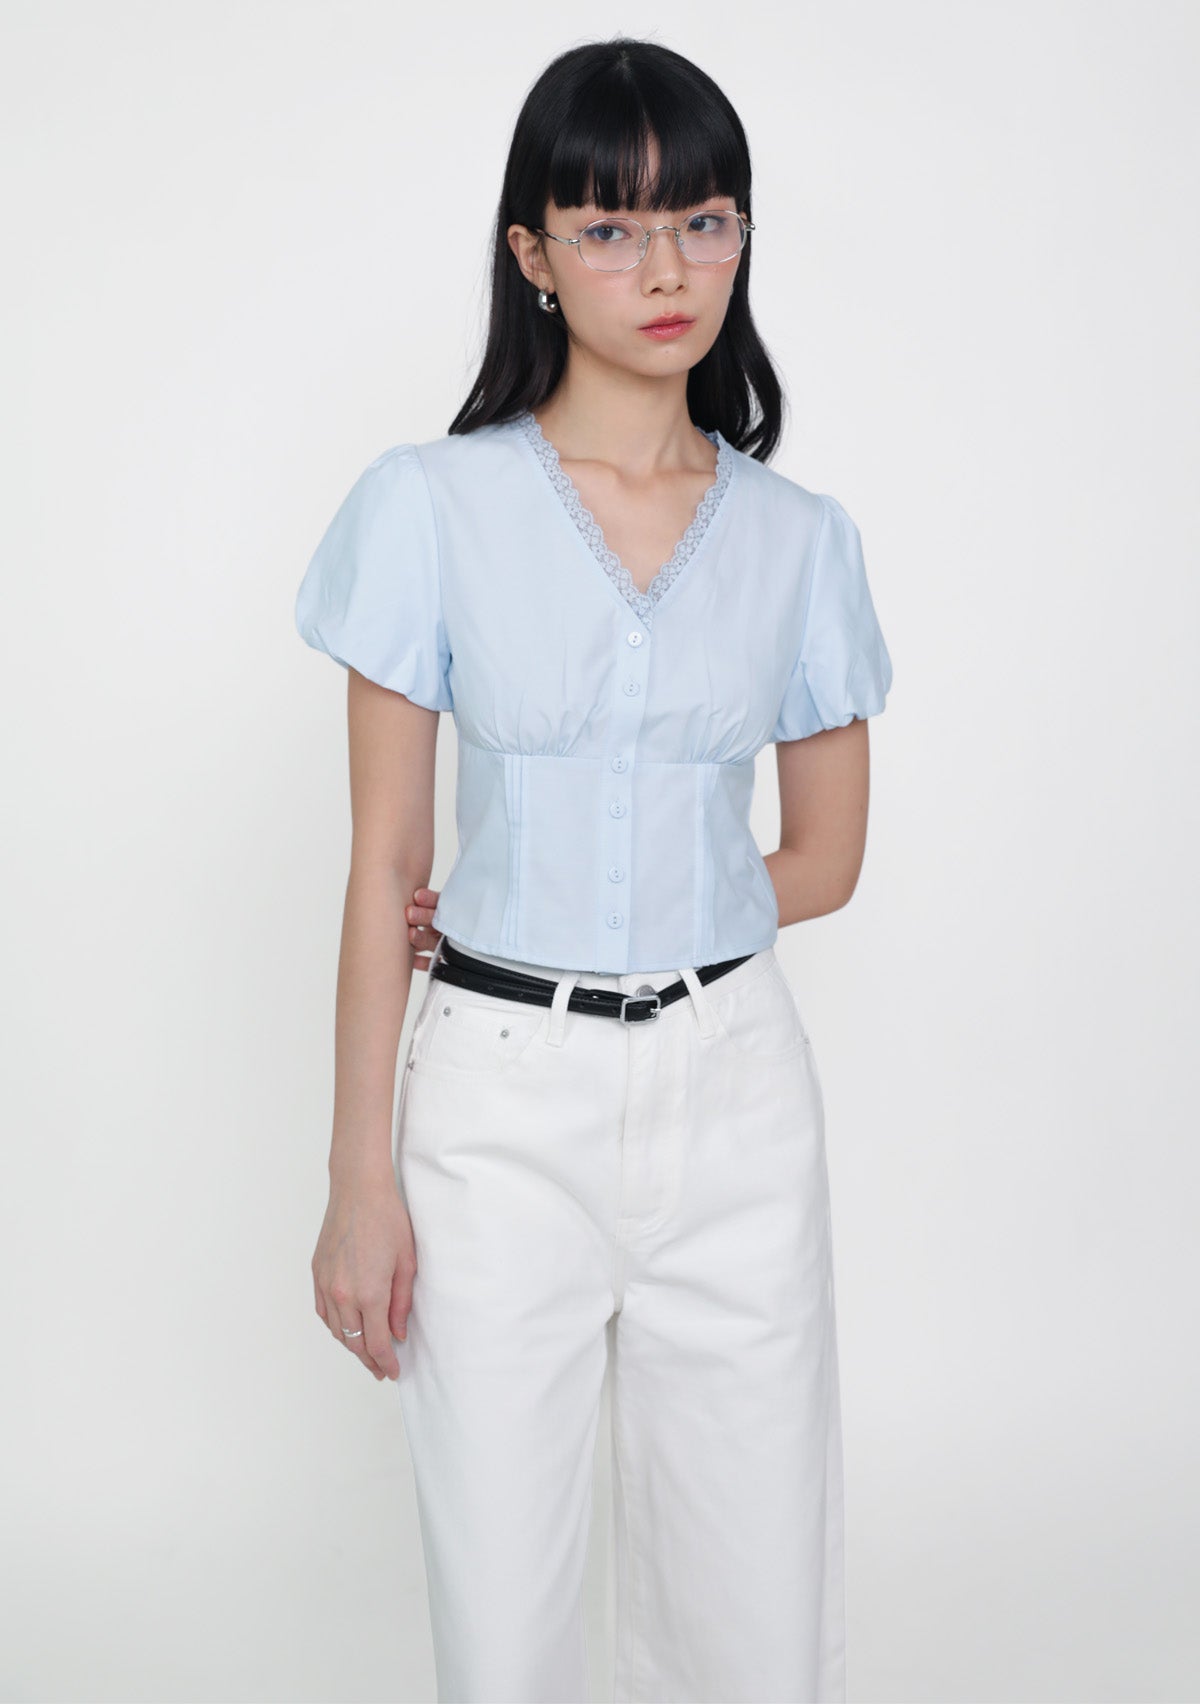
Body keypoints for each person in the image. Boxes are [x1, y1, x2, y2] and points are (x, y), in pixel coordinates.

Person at [294, 36, 893, 1704]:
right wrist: (358, 1181)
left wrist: (641, 894)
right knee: (504, 1615)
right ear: (535, 255)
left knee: (753, 1611)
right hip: (497, 1104)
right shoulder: (429, 509)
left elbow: (826, 858)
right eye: (613, 228)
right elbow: (386, 865)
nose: (668, 269)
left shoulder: (801, 541)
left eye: (704, 222)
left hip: (736, 1094)